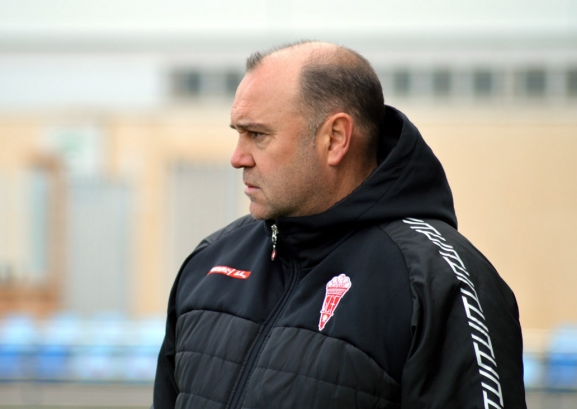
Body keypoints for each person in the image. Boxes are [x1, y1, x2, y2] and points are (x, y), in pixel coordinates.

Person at [153, 41, 526, 409]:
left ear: (335, 139)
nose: (237, 158)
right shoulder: (209, 262)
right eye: (238, 133)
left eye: (258, 135)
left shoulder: (438, 283)